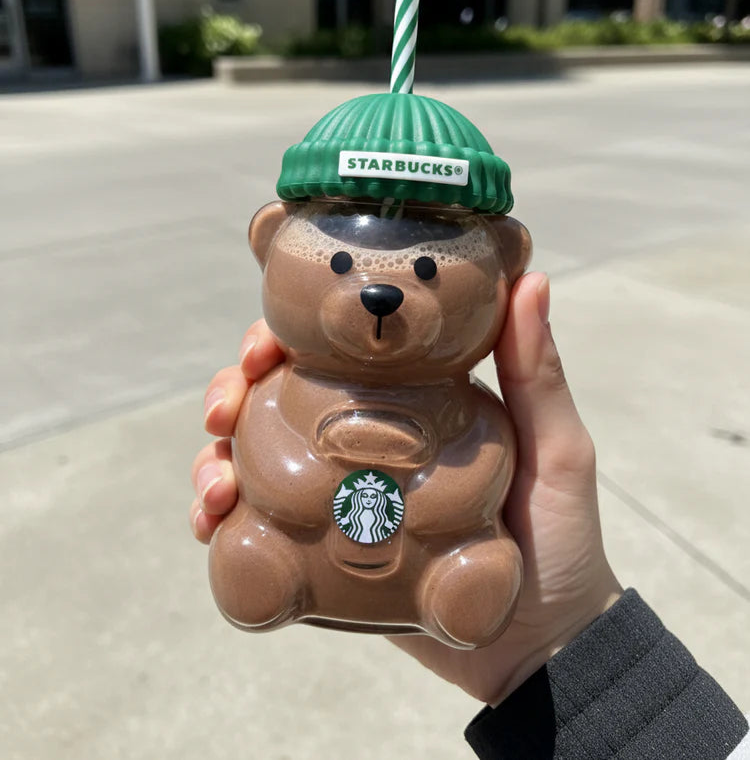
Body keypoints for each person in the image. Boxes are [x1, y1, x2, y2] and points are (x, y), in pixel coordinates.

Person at [189, 272, 749, 759]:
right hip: (298, 543)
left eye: (427, 270)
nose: (380, 291)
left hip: (437, 561)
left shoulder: (474, 415)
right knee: (255, 539)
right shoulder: (275, 398)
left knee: (474, 562)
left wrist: (556, 636)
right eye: (339, 264)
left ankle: (457, 590)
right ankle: (269, 569)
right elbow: (265, 466)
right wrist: (307, 476)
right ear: (269, 246)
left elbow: (476, 484)